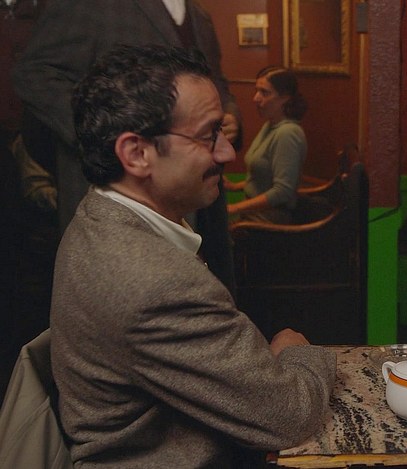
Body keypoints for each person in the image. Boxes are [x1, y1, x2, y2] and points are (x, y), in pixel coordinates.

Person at [51, 44, 335, 467]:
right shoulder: (156, 282)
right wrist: (296, 350)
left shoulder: (96, 214)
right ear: (137, 153)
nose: (227, 153)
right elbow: (289, 414)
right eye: (208, 135)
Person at [12, 0, 241, 290]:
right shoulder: (87, 5)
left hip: (200, 199)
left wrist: (229, 115)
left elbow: (215, 81)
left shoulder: (199, 16)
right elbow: (34, 74)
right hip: (123, 204)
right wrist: (105, 135)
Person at [226, 67, 307, 223]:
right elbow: (264, 178)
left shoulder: (288, 133)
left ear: (284, 98)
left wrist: (234, 208)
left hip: (269, 219)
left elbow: (283, 192)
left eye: (264, 92)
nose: (256, 98)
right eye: (257, 91)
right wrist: (235, 186)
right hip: (254, 212)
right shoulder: (270, 126)